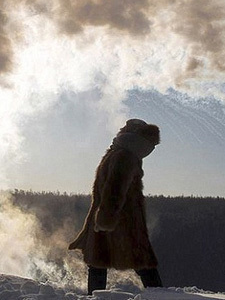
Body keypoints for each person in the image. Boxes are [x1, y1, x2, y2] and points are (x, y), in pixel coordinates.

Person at [69, 118, 163, 294]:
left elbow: (115, 189)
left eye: (124, 128)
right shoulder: (125, 153)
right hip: (121, 219)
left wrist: (104, 220)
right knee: (140, 262)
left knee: (102, 263)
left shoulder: (123, 155)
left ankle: (161, 297)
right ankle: (160, 296)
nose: (121, 129)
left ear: (129, 132)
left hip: (113, 218)